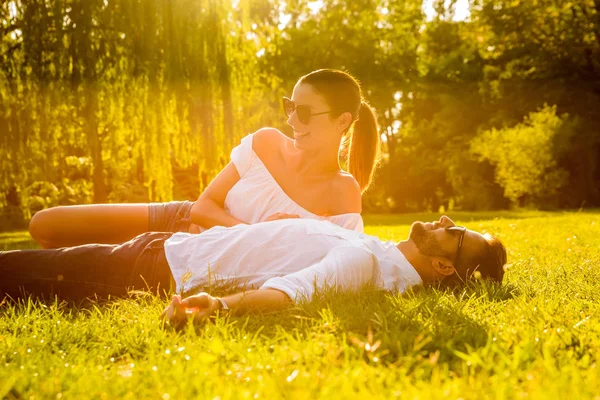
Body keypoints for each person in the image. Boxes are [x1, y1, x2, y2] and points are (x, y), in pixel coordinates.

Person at [28, 69, 381, 249]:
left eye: (304, 112)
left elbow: (340, 258)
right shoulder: (265, 142)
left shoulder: (343, 191)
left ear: (342, 121)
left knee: (58, 257)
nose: (291, 120)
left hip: (203, 250)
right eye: (289, 107)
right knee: (45, 225)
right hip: (178, 216)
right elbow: (201, 207)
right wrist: (256, 231)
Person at [0, 216, 507, 326]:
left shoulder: (365, 263)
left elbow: (293, 292)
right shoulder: (376, 245)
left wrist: (219, 306)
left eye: (456, 233)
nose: (445, 220)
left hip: (148, 270)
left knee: (13, 272)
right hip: (165, 249)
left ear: (442, 264)